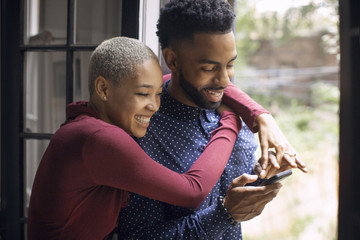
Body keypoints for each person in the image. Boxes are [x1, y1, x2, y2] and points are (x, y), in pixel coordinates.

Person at [117, 0, 307, 239]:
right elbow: (138, 236)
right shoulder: (141, 133)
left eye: (230, 64)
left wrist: (262, 175)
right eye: (209, 68)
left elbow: (234, 193)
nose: (225, 81)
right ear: (173, 61)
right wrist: (224, 213)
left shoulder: (237, 117)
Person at [27, 36, 250, 240]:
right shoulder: (100, 139)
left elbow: (177, 80)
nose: (154, 106)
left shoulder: (85, 127)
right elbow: (193, 191)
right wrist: (230, 120)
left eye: (158, 94)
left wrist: (257, 113)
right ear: (103, 89)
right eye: (143, 94)